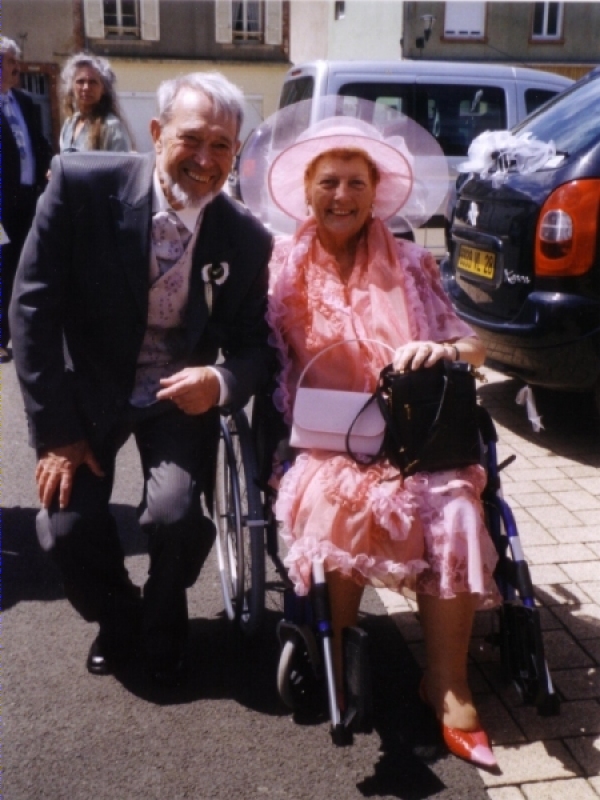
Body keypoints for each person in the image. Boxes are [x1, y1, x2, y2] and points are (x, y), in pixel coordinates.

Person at [9, 72, 273, 687]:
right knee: (62, 526)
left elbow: (256, 347)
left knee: (176, 515)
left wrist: (221, 379)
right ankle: (118, 613)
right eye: (191, 140)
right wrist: (55, 430)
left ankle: (164, 611)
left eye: (223, 147)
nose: (206, 161)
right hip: (90, 388)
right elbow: (32, 310)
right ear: (156, 134)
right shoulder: (80, 187)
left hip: (176, 393)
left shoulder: (245, 237)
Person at [258, 112, 500, 768]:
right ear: (307, 191)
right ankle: (335, 650)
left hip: (412, 436)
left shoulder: (414, 262)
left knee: (453, 508)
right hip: (326, 438)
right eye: (329, 183)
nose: (342, 196)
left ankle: (447, 683)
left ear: (377, 190)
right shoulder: (278, 268)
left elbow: (475, 347)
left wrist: (438, 346)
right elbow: (255, 355)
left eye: (356, 183)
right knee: (336, 501)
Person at [0, 36, 52, 363]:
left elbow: (41, 146)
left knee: (28, 267)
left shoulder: (26, 102)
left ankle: (26, 331)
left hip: (28, 202)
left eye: (5, 60)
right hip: (0, 207)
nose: (7, 66)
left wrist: (52, 172)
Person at [59, 52, 132, 152]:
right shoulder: (69, 124)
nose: (86, 87)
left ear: (104, 89)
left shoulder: (111, 126)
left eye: (93, 82)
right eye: (80, 81)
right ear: (71, 87)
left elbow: (122, 165)